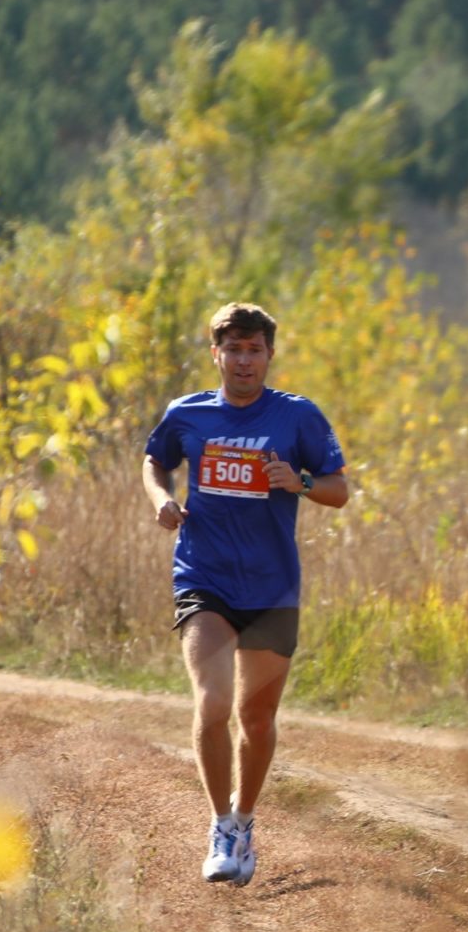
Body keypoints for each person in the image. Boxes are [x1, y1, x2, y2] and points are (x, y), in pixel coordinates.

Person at [142, 302, 349, 885]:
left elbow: (340, 489)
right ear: (216, 355)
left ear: (269, 355)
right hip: (204, 577)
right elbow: (154, 461)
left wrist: (301, 481)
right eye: (232, 349)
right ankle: (220, 825)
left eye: (254, 349)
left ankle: (246, 819)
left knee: (255, 718)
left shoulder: (298, 417)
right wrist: (160, 498)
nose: (243, 360)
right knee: (211, 706)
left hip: (273, 586)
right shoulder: (188, 414)